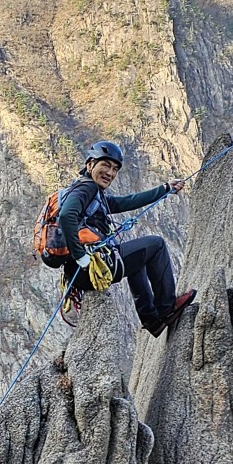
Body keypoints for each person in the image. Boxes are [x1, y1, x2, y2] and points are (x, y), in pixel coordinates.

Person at [59, 140, 196, 336]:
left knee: (137, 257)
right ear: (90, 164)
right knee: (156, 245)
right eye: (105, 165)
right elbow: (66, 215)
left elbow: (127, 202)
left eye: (115, 169)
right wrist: (81, 256)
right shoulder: (86, 189)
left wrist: (165, 188)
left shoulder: (94, 194)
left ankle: (152, 320)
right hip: (91, 268)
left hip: (81, 273)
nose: (110, 173)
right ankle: (167, 308)